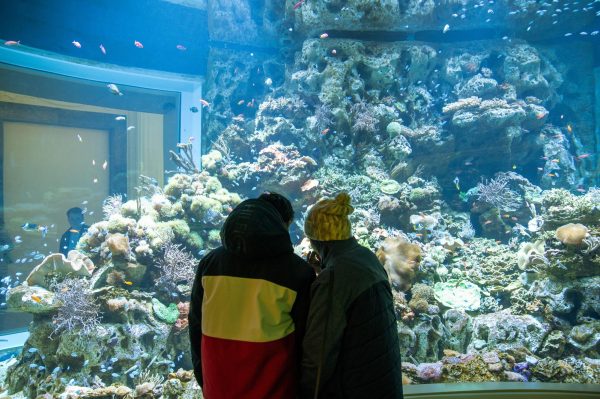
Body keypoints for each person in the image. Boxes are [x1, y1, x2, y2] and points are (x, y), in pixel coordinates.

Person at [189, 192, 315, 399]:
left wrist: (204, 379)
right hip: (275, 389)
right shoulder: (297, 272)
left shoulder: (210, 263)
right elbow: (307, 341)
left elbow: (195, 324)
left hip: (218, 388)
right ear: (281, 224)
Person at [300, 192, 403, 399]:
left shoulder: (333, 278)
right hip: (386, 383)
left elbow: (318, 355)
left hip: (355, 388)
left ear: (315, 240)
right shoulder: (368, 257)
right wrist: (323, 268)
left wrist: (304, 393)